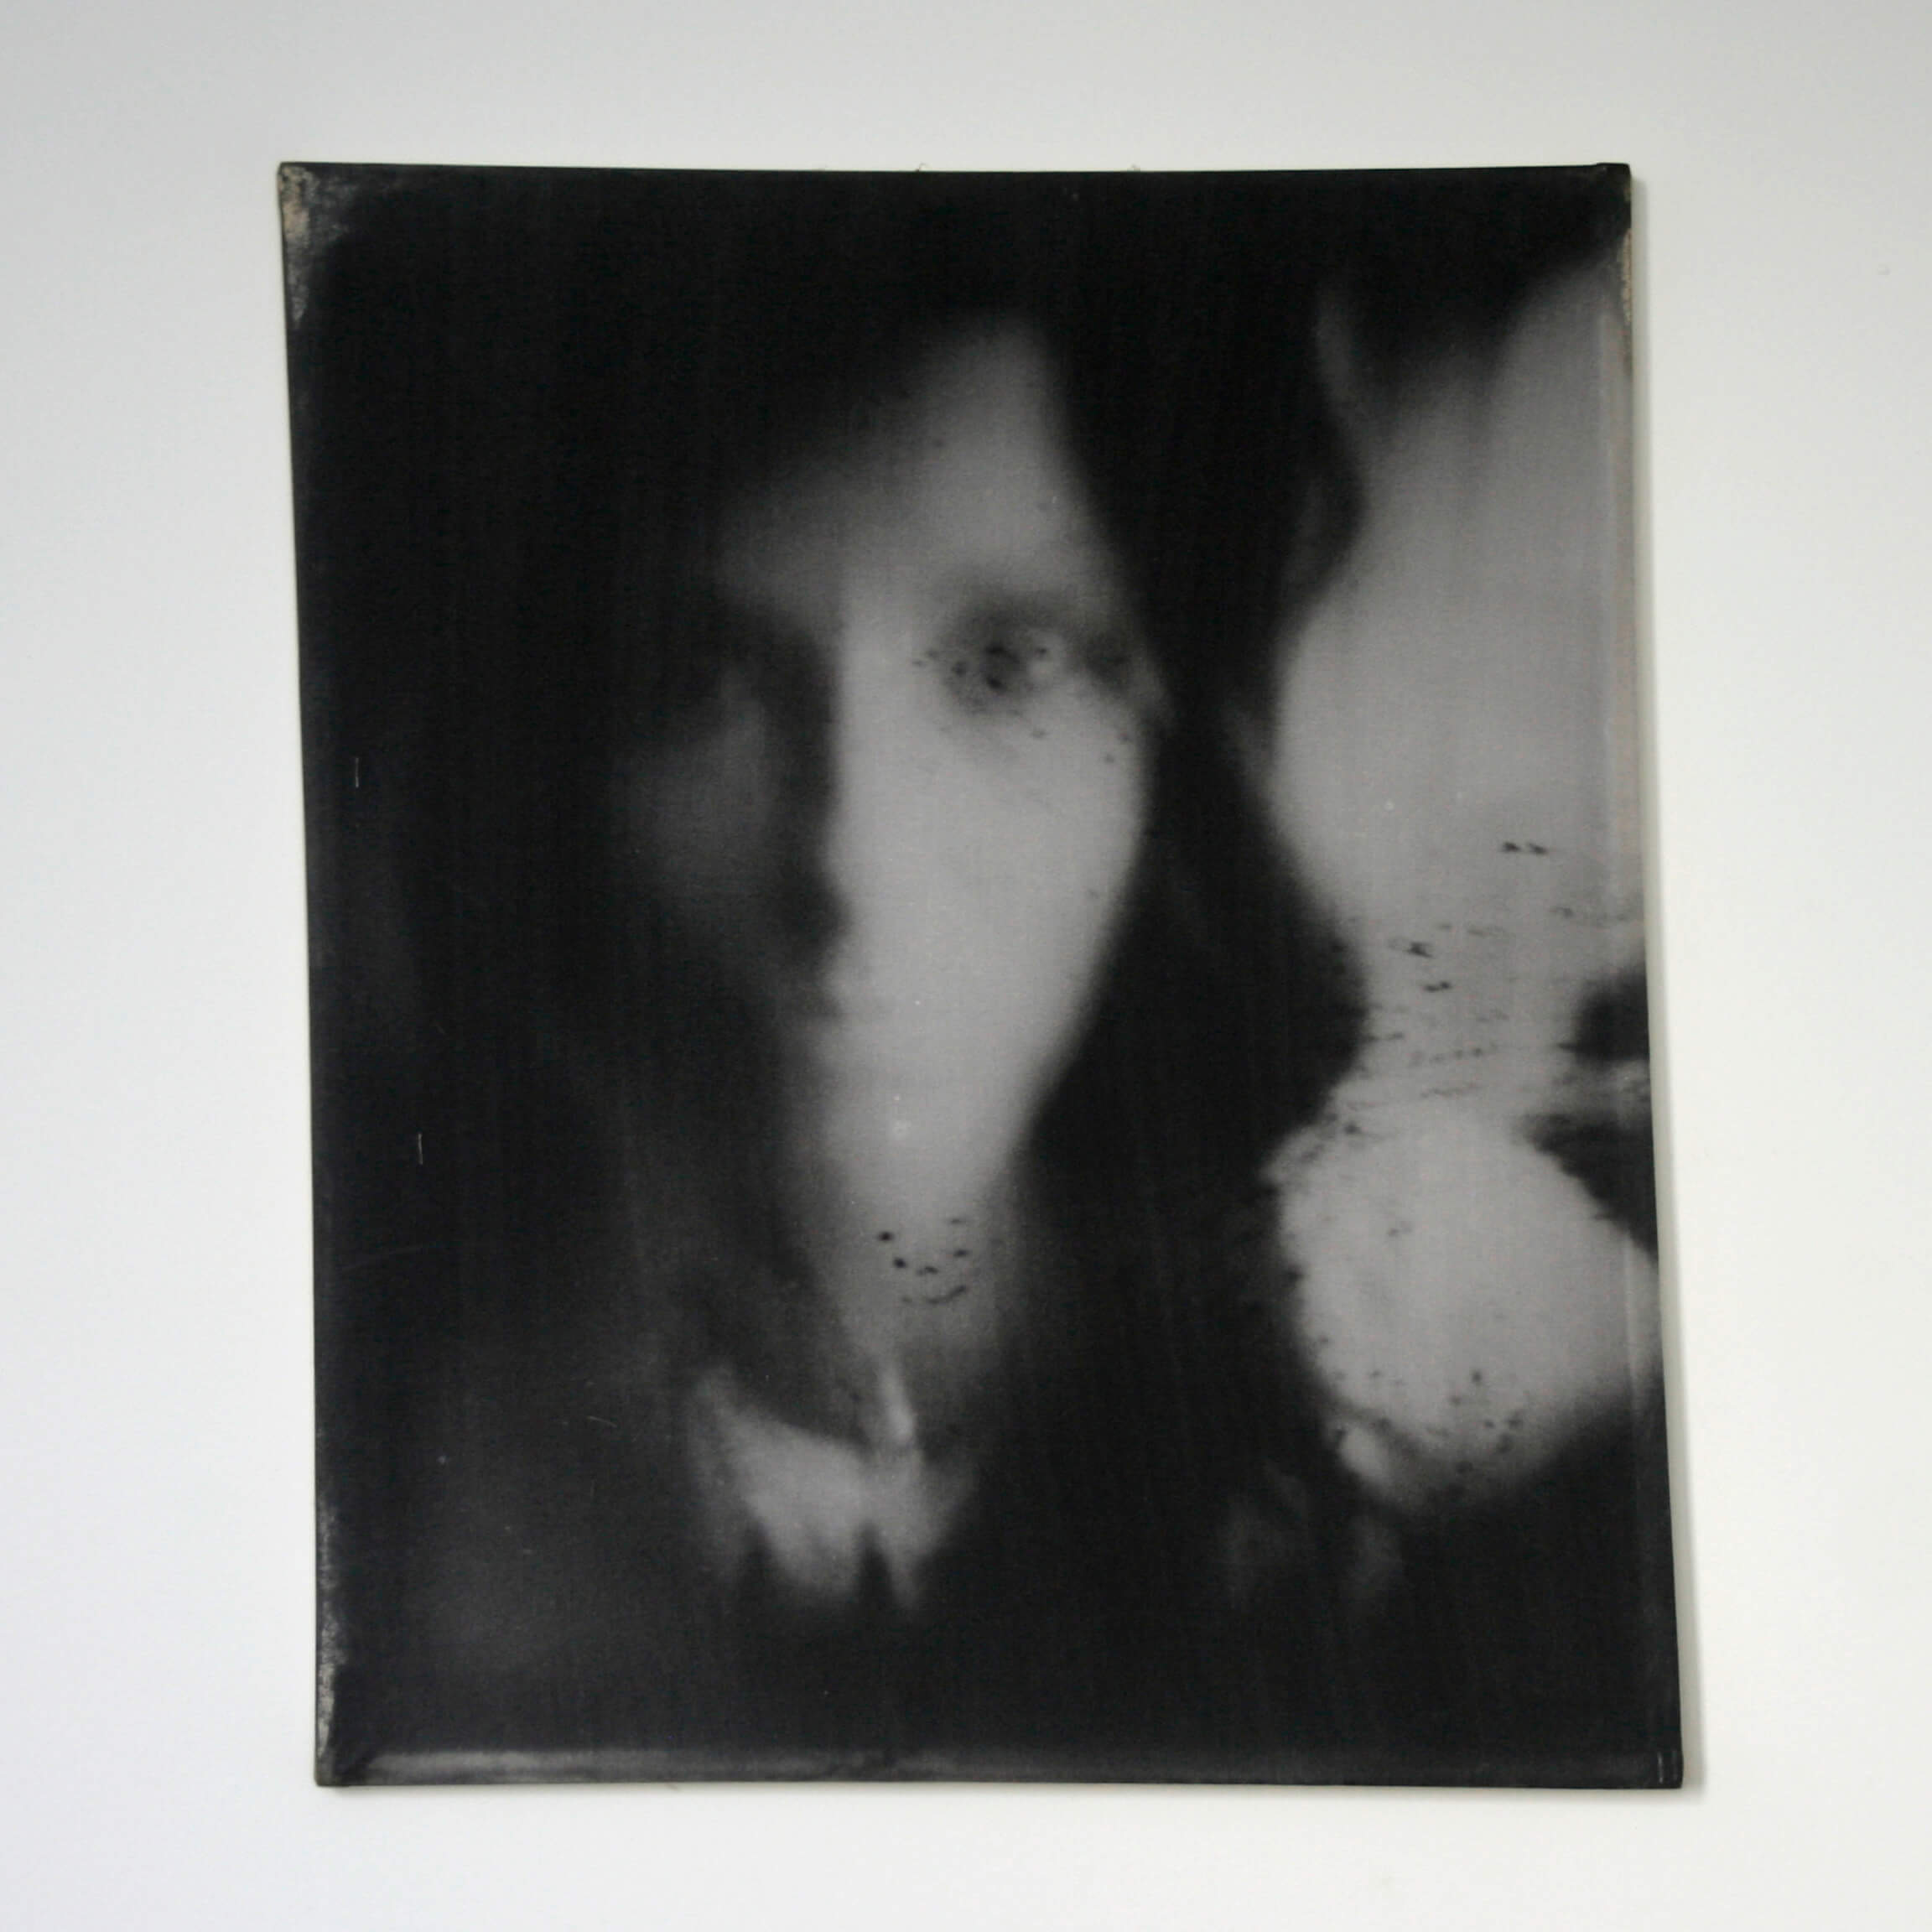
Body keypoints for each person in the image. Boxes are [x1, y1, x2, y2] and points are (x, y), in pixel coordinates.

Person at [291, 167, 1676, 1782]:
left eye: (1007, 666)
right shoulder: (369, 1455)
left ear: (1167, 730)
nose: (852, 870)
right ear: (548, 752)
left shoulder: (1458, 1372)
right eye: (699, 676)